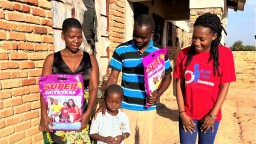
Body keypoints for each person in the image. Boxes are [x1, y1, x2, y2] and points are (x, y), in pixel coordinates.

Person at [105, 14, 172, 144]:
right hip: (125, 108)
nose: (138, 40)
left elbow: (168, 77)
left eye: (143, 37)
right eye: (135, 35)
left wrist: (158, 94)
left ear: (152, 34)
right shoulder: (121, 50)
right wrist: (105, 102)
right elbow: (113, 77)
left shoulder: (159, 52)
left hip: (148, 109)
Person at [173, 13, 236, 144]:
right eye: (194, 38)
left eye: (202, 39)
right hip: (188, 115)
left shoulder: (225, 54)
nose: (197, 43)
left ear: (214, 36)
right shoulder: (183, 54)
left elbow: (225, 86)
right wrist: (182, 113)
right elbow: (179, 85)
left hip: (210, 117)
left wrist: (212, 115)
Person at [39, 18, 99, 144]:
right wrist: (43, 114)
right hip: (58, 115)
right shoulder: (51, 59)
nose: (76, 41)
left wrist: (88, 113)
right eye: (71, 37)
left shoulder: (90, 59)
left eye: (79, 37)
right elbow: (45, 89)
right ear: (63, 36)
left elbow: (94, 87)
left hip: (82, 113)